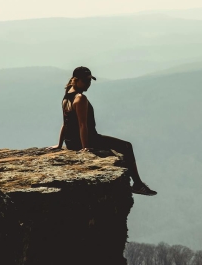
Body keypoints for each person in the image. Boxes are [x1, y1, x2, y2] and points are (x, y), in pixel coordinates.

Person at [50, 66, 157, 196]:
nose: (88, 84)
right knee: (126, 146)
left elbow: (65, 123)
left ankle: (138, 184)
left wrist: (60, 144)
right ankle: (138, 184)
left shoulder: (67, 96)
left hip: (71, 142)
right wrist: (85, 147)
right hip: (88, 139)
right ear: (76, 80)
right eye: (85, 81)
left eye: (89, 81)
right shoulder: (80, 98)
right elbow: (83, 125)